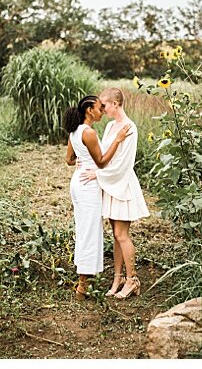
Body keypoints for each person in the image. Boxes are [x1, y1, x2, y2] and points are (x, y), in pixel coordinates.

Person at [62, 95, 130, 299]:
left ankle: (84, 280)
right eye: (99, 108)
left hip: (78, 182)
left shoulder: (75, 131)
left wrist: (82, 161)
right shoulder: (89, 132)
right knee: (90, 232)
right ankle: (82, 286)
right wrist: (117, 141)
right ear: (90, 110)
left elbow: (68, 159)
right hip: (88, 186)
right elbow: (101, 162)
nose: (102, 111)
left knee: (84, 230)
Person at [94, 87, 148, 298]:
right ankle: (118, 278)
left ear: (115, 104)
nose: (102, 108)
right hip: (110, 183)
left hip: (122, 183)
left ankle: (133, 279)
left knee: (121, 234)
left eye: (104, 105)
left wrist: (98, 176)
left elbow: (124, 163)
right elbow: (105, 155)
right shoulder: (109, 127)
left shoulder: (130, 127)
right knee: (115, 236)